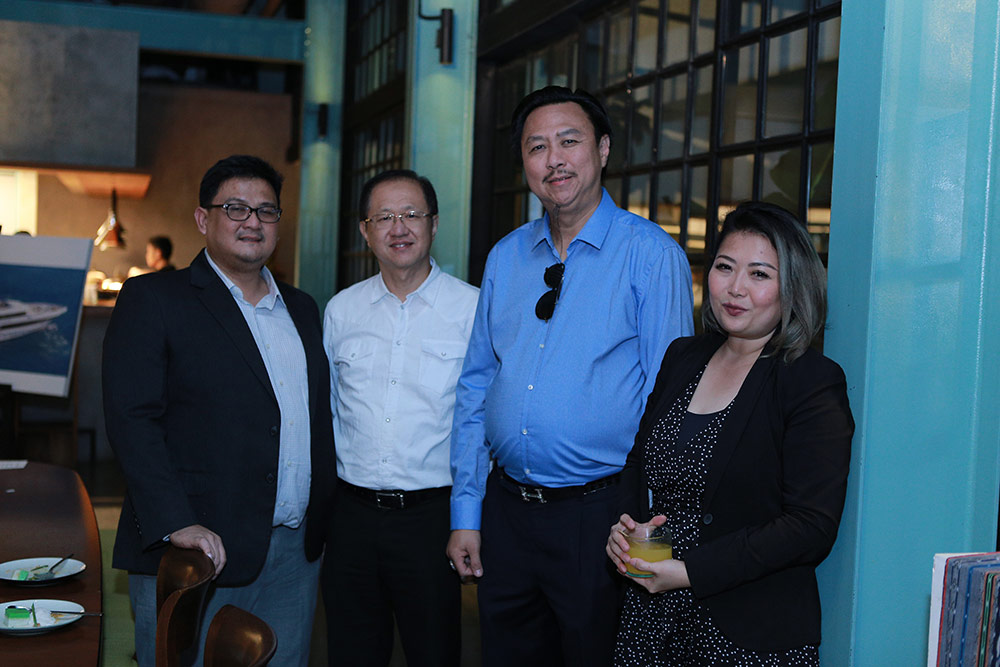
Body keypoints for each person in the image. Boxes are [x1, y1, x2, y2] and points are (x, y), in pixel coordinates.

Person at [447, 86, 695, 666]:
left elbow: (673, 406)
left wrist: (654, 535)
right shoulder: (506, 257)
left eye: (569, 141)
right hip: (506, 514)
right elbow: (475, 388)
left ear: (603, 149)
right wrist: (467, 513)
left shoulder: (650, 255)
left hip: (603, 519)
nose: (553, 158)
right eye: (537, 147)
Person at [102, 154, 336, 667]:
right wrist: (175, 521)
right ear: (203, 220)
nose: (252, 221)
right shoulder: (155, 298)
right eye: (236, 208)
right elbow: (130, 417)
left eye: (266, 211)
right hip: (197, 550)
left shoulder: (302, 308)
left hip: (294, 555)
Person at [607, 201, 855, 665]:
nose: (735, 288)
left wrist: (689, 572)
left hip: (748, 630)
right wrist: (627, 532)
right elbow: (641, 462)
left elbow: (811, 525)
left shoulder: (809, 379)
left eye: (760, 274)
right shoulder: (683, 356)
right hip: (651, 616)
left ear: (792, 286)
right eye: (725, 267)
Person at [321, 169, 478, 666]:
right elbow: (327, 410)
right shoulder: (342, 311)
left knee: (434, 652)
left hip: (431, 520)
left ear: (434, 225)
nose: (399, 227)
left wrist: (468, 520)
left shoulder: (473, 309)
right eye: (383, 217)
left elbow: (481, 423)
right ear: (365, 231)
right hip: (350, 520)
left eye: (411, 214)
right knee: (350, 652)